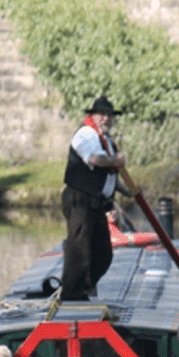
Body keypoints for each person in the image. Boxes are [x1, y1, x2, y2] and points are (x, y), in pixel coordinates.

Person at [60, 96, 126, 301]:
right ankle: (72, 297)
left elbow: (109, 175)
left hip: (96, 203)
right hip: (80, 200)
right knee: (79, 252)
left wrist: (128, 191)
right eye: (102, 114)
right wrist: (115, 160)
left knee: (104, 254)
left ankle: (85, 289)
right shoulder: (86, 134)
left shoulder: (106, 141)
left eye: (109, 115)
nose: (106, 118)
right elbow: (95, 160)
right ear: (93, 116)